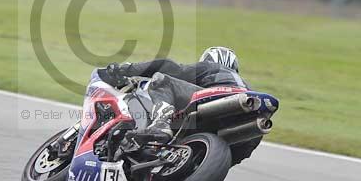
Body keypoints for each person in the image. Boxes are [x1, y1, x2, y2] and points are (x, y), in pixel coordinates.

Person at [96, 46, 248, 142]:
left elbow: (169, 67)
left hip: (216, 98)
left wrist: (125, 70)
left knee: (163, 80)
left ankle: (161, 124)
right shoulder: (244, 84)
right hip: (240, 115)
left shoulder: (211, 67)